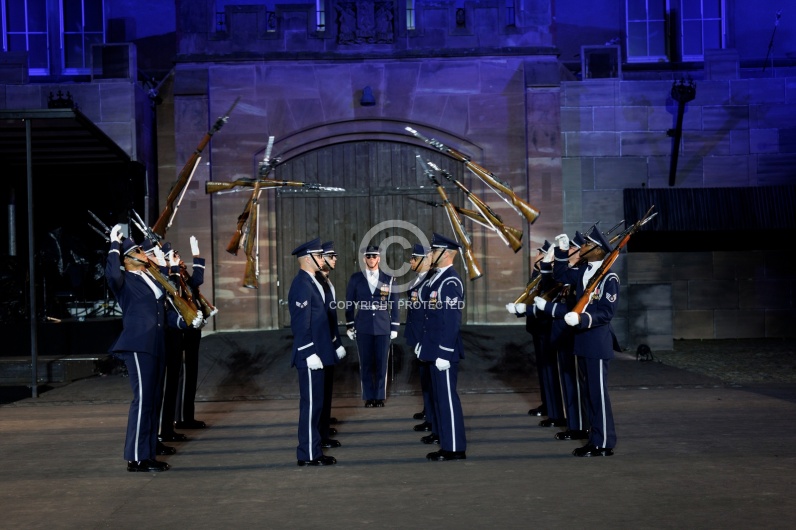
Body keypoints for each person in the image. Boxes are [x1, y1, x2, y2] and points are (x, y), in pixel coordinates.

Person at [536, 227, 619, 457]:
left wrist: (582, 318)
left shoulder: (609, 277)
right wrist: (562, 252)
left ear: (597, 250)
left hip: (597, 342)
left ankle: (603, 443)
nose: (581, 248)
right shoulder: (584, 271)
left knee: (598, 395)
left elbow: (606, 312)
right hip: (582, 341)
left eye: (586, 245)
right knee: (588, 394)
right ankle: (594, 438)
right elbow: (560, 275)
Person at [105, 227, 173, 472]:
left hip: (155, 343)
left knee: (154, 399)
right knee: (143, 400)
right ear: (129, 259)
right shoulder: (125, 281)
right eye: (139, 251)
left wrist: (164, 258)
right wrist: (114, 245)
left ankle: (148, 452)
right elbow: (112, 274)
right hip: (138, 344)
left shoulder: (149, 277)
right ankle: (135, 458)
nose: (144, 254)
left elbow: (169, 283)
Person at [288, 238, 337, 466]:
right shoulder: (302, 284)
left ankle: (313, 450)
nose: (322, 259)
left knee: (316, 405)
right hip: (310, 355)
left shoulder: (314, 281)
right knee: (310, 406)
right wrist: (308, 352)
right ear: (308, 258)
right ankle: (307, 454)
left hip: (319, 352)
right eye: (318, 255)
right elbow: (300, 323)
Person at [418, 233, 467, 461]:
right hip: (433, 349)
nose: (431, 255)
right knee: (440, 400)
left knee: (447, 399)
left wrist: (445, 352)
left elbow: (452, 320)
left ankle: (455, 448)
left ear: (446, 254)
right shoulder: (436, 278)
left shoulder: (450, 281)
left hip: (443, 352)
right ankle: (447, 443)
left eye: (434, 251)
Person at [506, 240, 565, 427]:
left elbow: (546, 302)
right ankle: (547, 404)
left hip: (547, 327)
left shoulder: (554, 277)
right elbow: (530, 295)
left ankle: (555, 410)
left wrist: (526, 310)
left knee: (550, 371)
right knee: (543, 371)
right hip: (537, 328)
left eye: (541, 253)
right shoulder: (538, 274)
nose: (537, 255)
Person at [344, 245, 399, 407]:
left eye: (374, 256)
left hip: (383, 326)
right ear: (364, 259)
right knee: (366, 363)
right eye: (368, 256)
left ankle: (379, 396)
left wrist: (394, 327)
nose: (371, 259)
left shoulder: (389, 278)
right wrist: (349, 325)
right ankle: (369, 396)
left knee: (382, 364)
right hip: (363, 325)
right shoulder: (356, 278)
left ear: (379, 258)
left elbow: (394, 304)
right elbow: (349, 303)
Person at [174, 236, 211, 430]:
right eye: (176, 257)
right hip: (182, 330)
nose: (180, 259)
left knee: (192, 373)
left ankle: (187, 416)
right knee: (181, 374)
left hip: (192, 330)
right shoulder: (172, 279)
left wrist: (196, 254)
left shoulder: (183, 277)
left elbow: (198, 280)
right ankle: (179, 417)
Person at [317, 241, 346, 448]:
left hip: (329, 343)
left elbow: (332, 318)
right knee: (320, 393)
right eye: (331, 256)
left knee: (326, 391)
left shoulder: (327, 281)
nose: (335, 259)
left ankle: (324, 427)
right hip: (321, 346)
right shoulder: (318, 282)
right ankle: (321, 434)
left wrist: (337, 341)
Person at [403, 243, 434, 433]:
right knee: (425, 379)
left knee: (430, 380)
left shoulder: (430, 279)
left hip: (426, 338)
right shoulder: (418, 278)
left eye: (414, 258)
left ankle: (432, 418)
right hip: (418, 337)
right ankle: (428, 412)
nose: (410, 261)